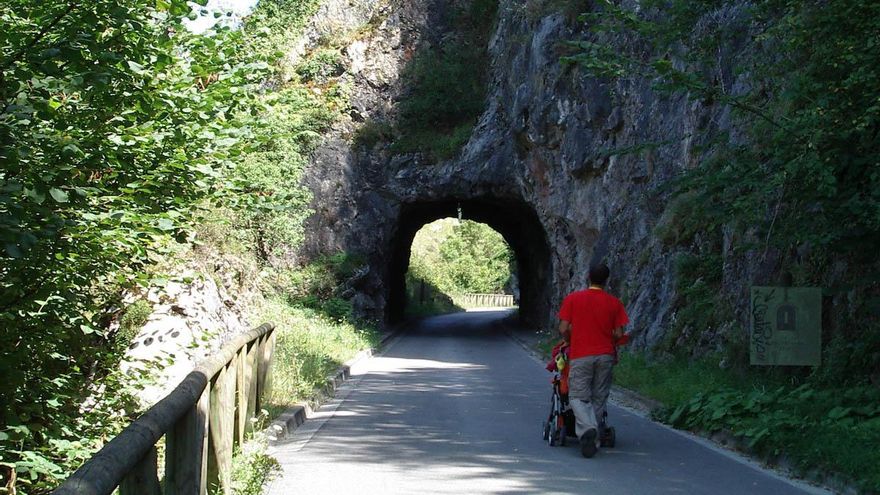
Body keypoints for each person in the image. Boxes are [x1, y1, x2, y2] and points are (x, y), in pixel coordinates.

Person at [557, 263, 629, 458]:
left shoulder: (573, 299)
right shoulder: (615, 303)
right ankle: (593, 440)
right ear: (607, 280)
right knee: (599, 397)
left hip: (581, 354)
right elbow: (619, 333)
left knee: (578, 397)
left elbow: (564, 328)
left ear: (588, 277)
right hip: (605, 355)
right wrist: (609, 339)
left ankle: (588, 428)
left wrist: (570, 340)